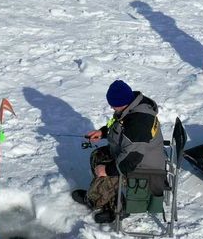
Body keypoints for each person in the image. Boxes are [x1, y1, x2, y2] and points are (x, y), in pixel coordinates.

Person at [71, 80, 165, 224]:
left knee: (104, 176)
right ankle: (109, 202)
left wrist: (107, 170)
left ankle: (101, 202)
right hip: (135, 155)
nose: (111, 107)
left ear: (122, 103)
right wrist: (102, 132)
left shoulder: (138, 123)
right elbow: (116, 123)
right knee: (98, 155)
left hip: (143, 168)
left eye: (113, 105)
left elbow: (130, 161)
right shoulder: (130, 106)